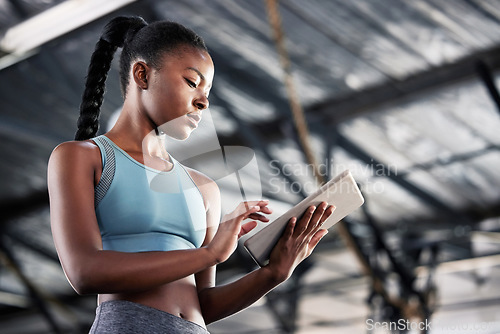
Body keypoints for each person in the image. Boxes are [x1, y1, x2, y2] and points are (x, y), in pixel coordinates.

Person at [47, 16, 335, 334]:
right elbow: (84, 272)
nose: (204, 101)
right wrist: (209, 253)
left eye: (207, 90)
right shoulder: (81, 157)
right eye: (191, 81)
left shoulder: (204, 189)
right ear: (142, 74)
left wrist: (272, 275)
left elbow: (203, 305)